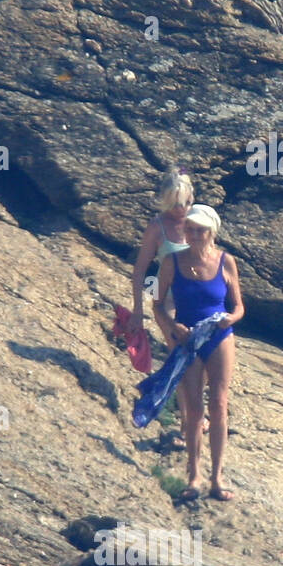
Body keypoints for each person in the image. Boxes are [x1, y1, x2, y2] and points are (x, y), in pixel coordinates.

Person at [153, 204, 244, 501]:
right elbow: (157, 304)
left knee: (218, 404)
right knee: (193, 409)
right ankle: (194, 476)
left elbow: (239, 306)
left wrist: (230, 319)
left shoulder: (225, 261)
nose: (194, 235)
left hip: (219, 336)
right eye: (190, 229)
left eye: (200, 230)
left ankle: (217, 479)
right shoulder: (171, 261)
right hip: (188, 338)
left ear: (212, 232)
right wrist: (172, 326)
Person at [127, 169, 201, 445]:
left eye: (187, 202)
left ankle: (194, 417)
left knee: (199, 359)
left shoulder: (198, 222)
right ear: (165, 202)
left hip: (195, 296)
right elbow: (140, 270)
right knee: (180, 358)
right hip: (164, 296)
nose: (182, 209)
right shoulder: (157, 227)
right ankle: (187, 424)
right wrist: (138, 310)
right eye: (175, 203)